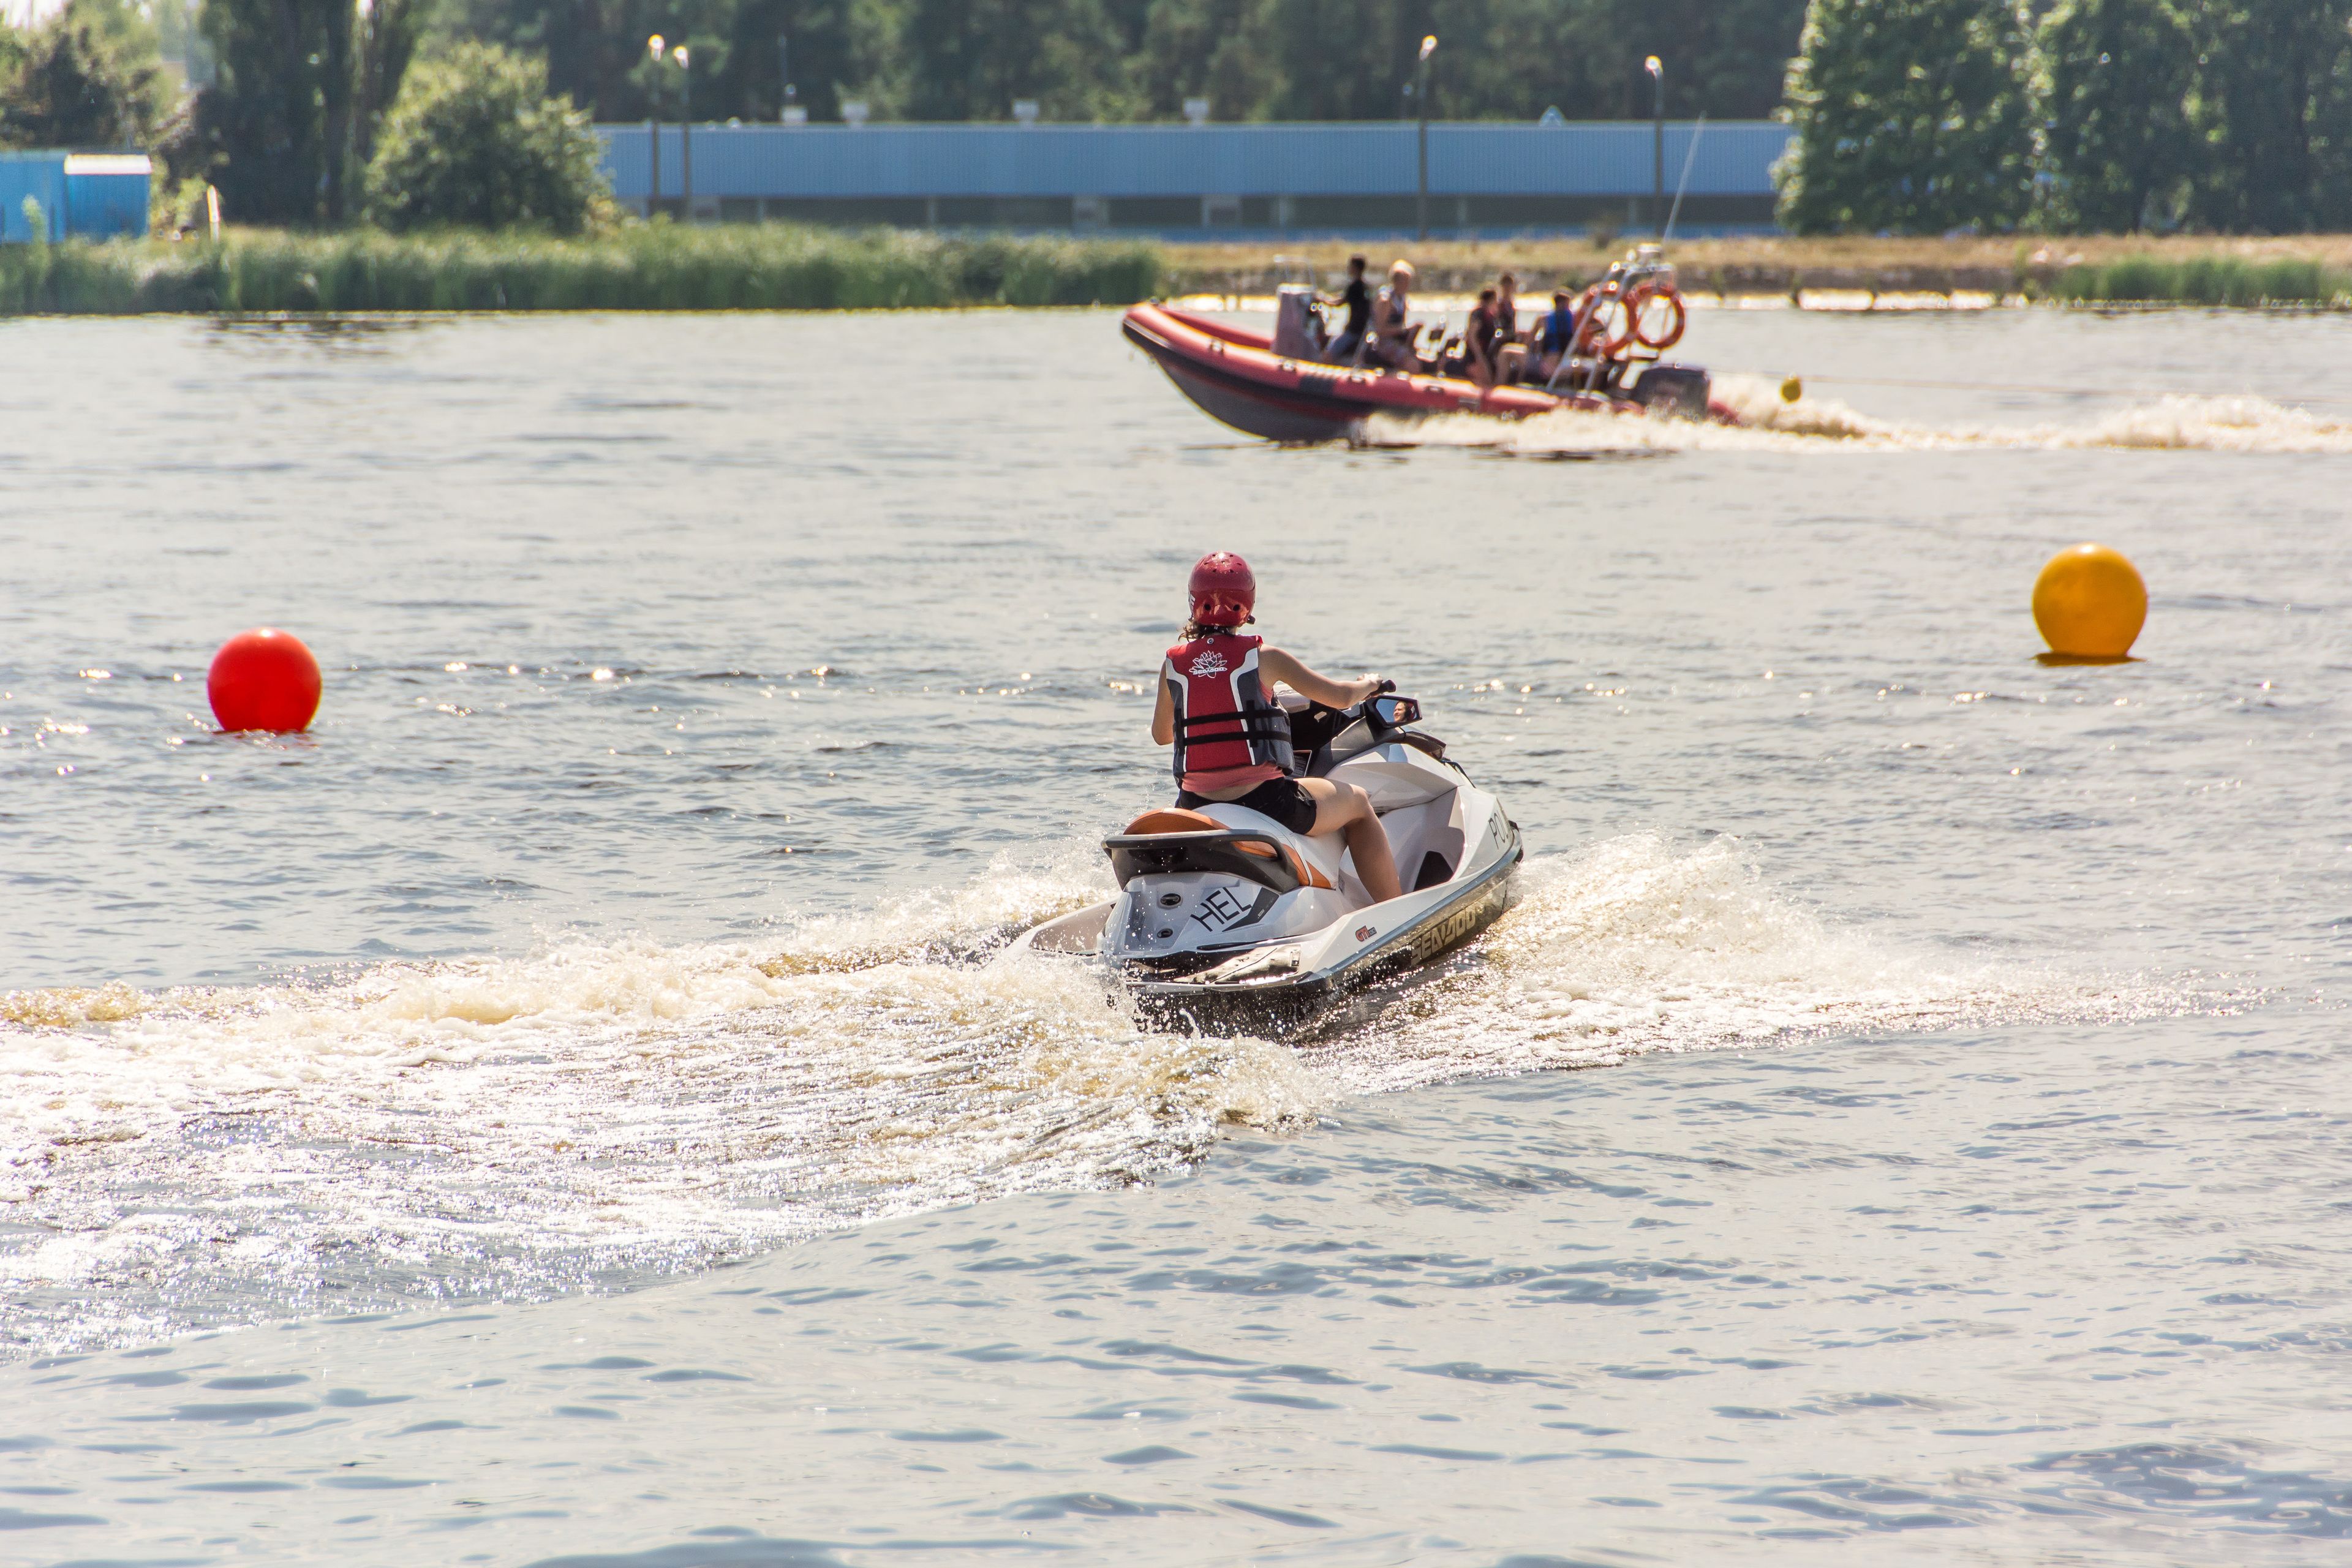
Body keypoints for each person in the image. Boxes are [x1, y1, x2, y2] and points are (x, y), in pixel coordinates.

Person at [1150, 552, 1403, 905]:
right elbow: (1341, 697)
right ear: (1247, 603)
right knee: (1359, 804)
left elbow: (1162, 735)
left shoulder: (1173, 664)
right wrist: (1368, 683)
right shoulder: (1264, 657)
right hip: (1266, 802)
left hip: (1194, 804)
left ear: (1194, 601)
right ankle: (1395, 910)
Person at [1365, 260, 1423, 372]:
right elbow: (1380, 330)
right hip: (1382, 343)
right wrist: (1403, 330)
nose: (1408, 285)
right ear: (1396, 282)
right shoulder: (1386, 301)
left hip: (1396, 341)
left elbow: (1402, 325)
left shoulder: (1403, 300)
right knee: (1412, 365)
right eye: (1405, 282)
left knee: (1421, 357)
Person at [1324, 255, 1372, 364]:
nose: (1348, 268)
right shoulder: (1366, 287)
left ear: (1355, 268)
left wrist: (1324, 301)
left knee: (1329, 353)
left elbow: (1340, 302)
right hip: (1364, 330)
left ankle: (1327, 376)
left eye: (1350, 266)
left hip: (1354, 330)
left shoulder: (1354, 286)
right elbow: (1344, 297)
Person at [1463, 286, 1501, 390]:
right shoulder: (1479, 314)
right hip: (1475, 357)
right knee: (1487, 379)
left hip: (1486, 355)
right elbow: (1472, 336)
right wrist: (1480, 358)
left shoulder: (1490, 316)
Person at [1493, 271, 1528, 383]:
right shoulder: (1499, 305)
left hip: (1510, 337)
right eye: (1506, 286)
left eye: (1510, 286)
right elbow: (1496, 325)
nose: (1508, 289)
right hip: (1501, 339)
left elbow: (1513, 325)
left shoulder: (1511, 305)